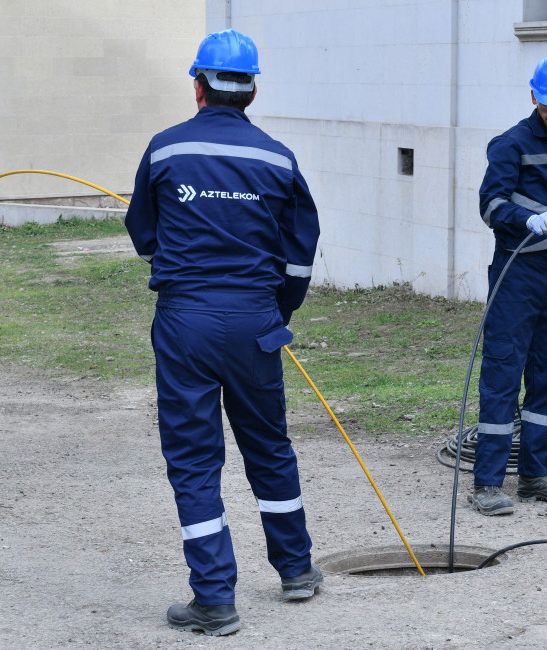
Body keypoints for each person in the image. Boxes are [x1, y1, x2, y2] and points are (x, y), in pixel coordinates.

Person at [124, 29, 323, 636]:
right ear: (253, 88)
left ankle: (214, 597)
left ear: (199, 85)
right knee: (268, 445)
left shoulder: (163, 152)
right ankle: (296, 570)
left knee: (193, 459)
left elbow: (144, 234)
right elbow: (299, 260)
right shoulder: (279, 159)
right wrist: (274, 314)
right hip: (256, 320)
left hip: (186, 320)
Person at [470, 54, 547, 516]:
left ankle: (535, 476)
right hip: (515, 272)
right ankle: (487, 484)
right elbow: (490, 206)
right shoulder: (509, 145)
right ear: (533, 95)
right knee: (503, 371)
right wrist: (525, 218)